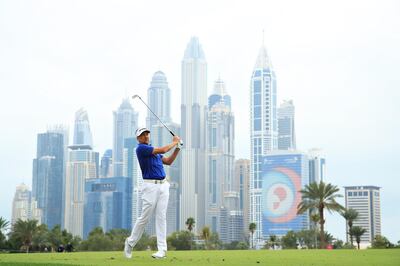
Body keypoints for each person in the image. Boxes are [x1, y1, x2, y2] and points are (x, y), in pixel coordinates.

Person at [124, 127, 181, 259]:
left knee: (161, 217)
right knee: (145, 217)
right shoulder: (141, 149)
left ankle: (162, 250)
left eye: (147, 134)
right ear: (138, 138)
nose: (145, 136)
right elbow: (163, 149)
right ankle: (130, 243)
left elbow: (169, 161)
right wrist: (174, 141)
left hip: (163, 186)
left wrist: (178, 148)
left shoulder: (154, 151)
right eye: (142, 135)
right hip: (150, 187)